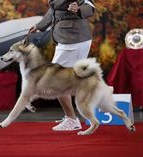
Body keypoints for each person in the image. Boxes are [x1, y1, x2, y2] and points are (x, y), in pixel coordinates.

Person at [29, 0, 95, 131]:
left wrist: (79, 8)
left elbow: (90, 6)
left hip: (73, 39)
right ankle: (71, 116)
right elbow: (54, 9)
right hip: (69, 39)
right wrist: (40, 25)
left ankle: (71, 119)